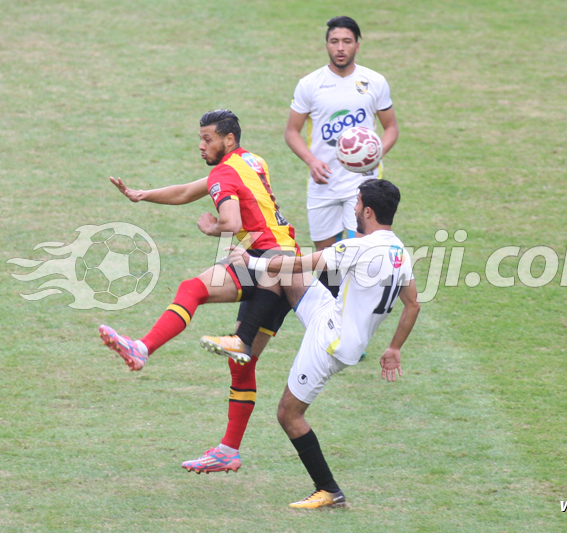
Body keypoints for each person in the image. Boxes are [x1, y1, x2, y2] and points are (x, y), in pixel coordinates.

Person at [99, 109, 301, 474]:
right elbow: (189, 190)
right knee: (241, 361)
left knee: (193, 288)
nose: (201, 145)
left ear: (228, 140)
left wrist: (212, 229)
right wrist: (141, 195)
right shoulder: (251, 162)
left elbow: (230, 222)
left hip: (265, 260)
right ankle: (228, 450)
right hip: (283, 262)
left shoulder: (224, 173)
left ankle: (142, 347)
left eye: (207, 139)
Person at [225, 178, 420, 508]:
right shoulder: (400, 251)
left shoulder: (359, 247)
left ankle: (328, 489)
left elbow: (305, 263)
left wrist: (252, 262)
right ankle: (244, 340)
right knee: (286, 267)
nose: (353, 208)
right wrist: (394, 347)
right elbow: (413, 303)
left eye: (357, 204)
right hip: (331, 314)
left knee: (289, 414)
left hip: (331, 341)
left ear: (368, 211)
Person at [284, 16, 399, 298]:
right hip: (323, 182)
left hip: (362, 184)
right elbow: (291, 132)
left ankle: (357, 312)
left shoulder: (374, 82)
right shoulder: (310, 84)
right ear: (326, 45)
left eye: (346, 41)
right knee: (324, 257)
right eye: (334, 41)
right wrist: (311, 161)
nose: (340, 47)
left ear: (357, 46)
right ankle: (333, 312)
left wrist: (373, 154)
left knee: (358, 251)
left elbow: (391, 128)